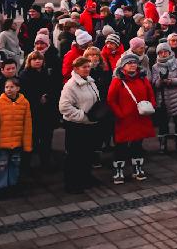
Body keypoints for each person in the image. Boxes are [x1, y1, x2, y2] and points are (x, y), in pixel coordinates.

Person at [107, 55, 157, 184]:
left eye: (134, 63)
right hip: (124, 119)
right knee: (121, 146)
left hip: (140, 117)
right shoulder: (117, 80)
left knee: (137, 144)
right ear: (123, 65)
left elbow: (150, 93)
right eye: (129, 63)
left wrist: (151, 106)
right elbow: (111, 100)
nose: (132, 65)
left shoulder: (142, 78)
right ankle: (119, 171)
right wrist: (120, 114)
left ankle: (137, 168)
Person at [58, 57, 103, 192]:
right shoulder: (70, 85)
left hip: (90, 123)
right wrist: (83, 116)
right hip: (76, 125)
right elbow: (64, 107)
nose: (87, 69)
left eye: (88, 67)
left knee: (87, 153)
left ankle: (85, 177)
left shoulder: (90, 81)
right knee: (75, 155)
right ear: (76, 69)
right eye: (84, 67)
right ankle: (72, 183)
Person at [0, 77, 32, 198]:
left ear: (18, 88)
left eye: (12, 87)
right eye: (7, 87)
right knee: (1, 166)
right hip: (2, 144)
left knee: (15, 166)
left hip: (17, 143)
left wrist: (27, 144)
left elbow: (27, 125)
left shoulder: (24, 102)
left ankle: (12, 186)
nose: (9, 89)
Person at [153, 43, 177, 153]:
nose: (163, 54)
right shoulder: (155, 66)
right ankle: (163, 146)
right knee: (163, 124)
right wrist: (161, 81)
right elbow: (154, 83)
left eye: (165, 51)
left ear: (169, 51)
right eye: (161, 52)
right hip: (162, 99)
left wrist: (171, 81)